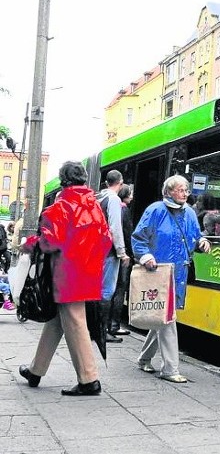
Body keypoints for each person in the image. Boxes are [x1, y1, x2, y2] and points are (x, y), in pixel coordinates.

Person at [18, 161, 112, 396]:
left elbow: (50, 242)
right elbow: (106, 241)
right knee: (58, 321)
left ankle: (89, 379)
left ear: (63, 180)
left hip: (66, 273)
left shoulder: (61, 206)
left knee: (74, 321)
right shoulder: (95, 206)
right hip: (89, 272)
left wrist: (29, 244)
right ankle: (36, 370)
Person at [132, 175, 211, 383]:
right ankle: (170, 369)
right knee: (168, 318)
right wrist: (146, 256)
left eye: (186, 190)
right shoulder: (156, 210)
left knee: (162, 316)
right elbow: (139, 238)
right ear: (168, 192)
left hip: (179, 274)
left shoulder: (190, 213)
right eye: (180, 190)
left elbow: (195, 237)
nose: (185, 193)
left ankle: (143, 359)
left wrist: (202, 242)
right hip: (158, 273)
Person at [97, 170, 130, 344]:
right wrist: (122, 253)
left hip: (95, 250)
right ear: (121, 182)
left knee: (97, 290)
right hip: (109, 251)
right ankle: (103, 333)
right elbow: (115, 228)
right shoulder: (114, 200)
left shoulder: (98, 197)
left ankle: (95, 329)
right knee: (107, 291)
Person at [108, 183, 133, 337]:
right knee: (119, 289)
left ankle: (107, 325)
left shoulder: (116, 208)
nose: (132, 196)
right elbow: (127, 232)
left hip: (110, 253)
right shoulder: (124, 210)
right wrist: (128, 254)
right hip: (121, 254)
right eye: (130, 193)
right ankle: (114, 325)